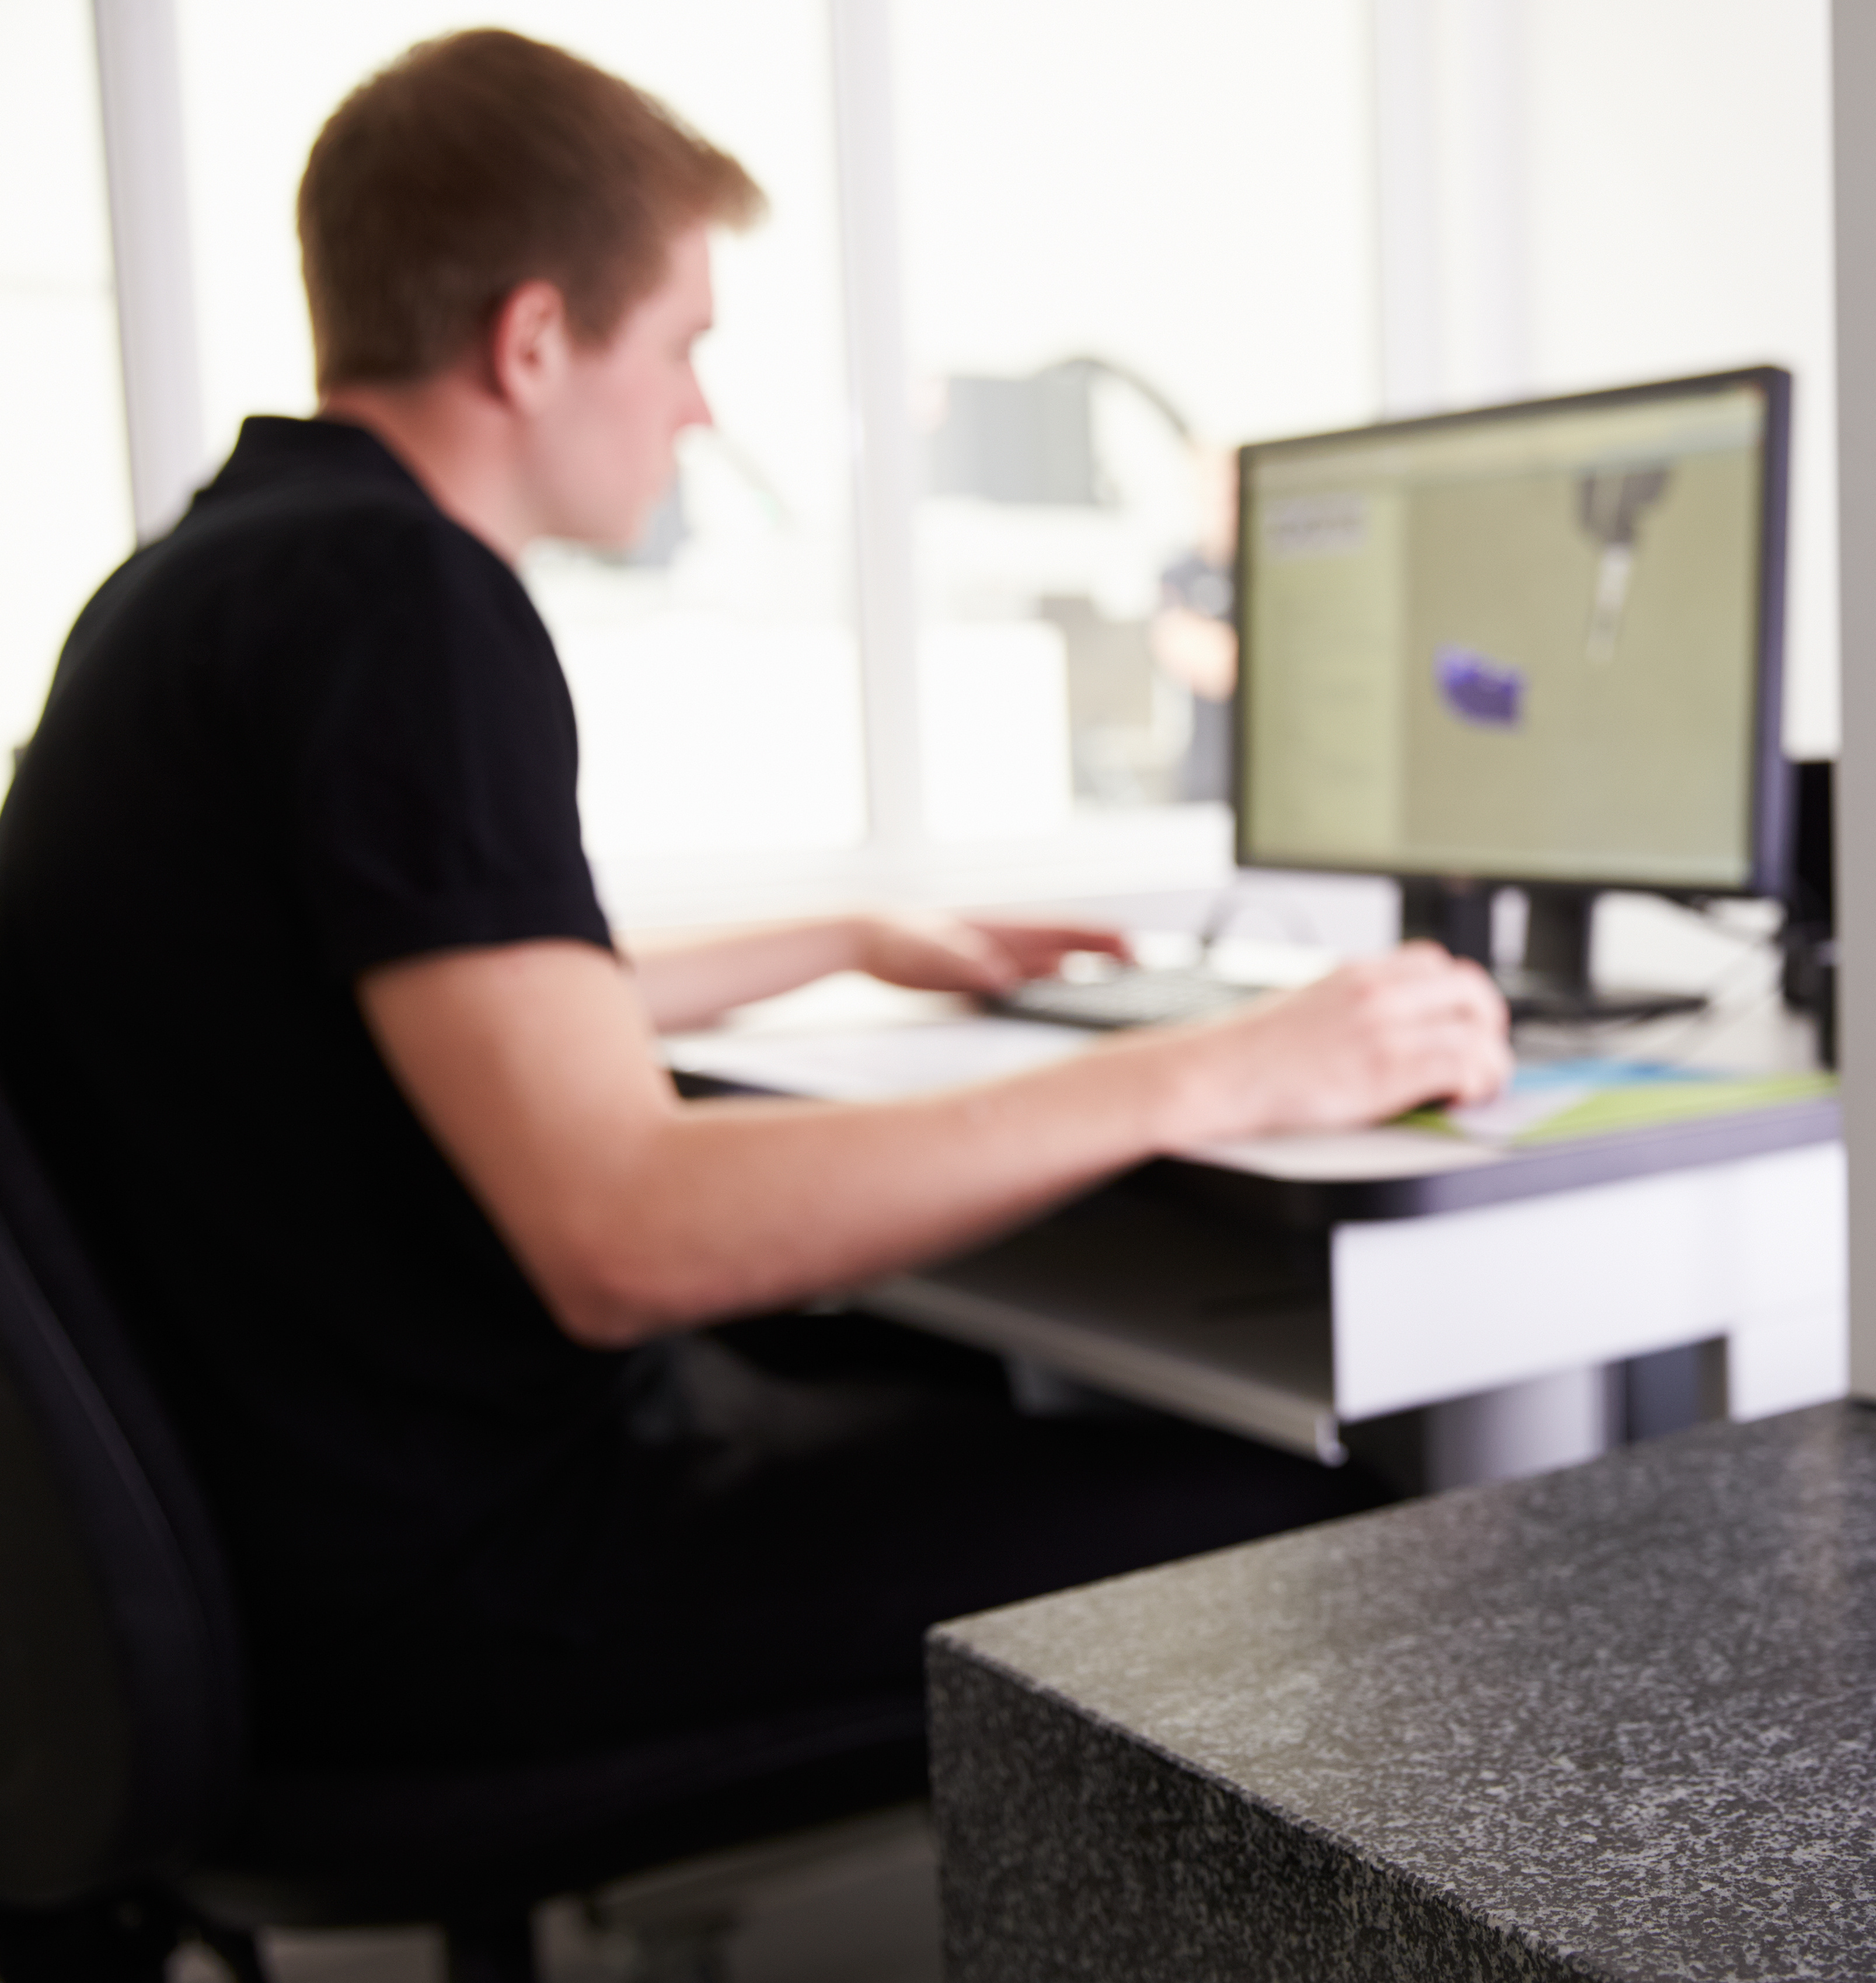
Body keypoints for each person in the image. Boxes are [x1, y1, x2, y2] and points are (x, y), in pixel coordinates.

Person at [0, 30, 1509, 1769]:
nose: (703, 407)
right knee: (1324, 1527)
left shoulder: (214, 578)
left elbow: (398, 1001)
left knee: (954, 1380)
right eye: (687, 342)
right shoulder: (397, 600)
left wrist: (847, 940)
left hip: (300, 1539)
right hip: (461, 1594)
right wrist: (1224, 1070)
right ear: (537, 337)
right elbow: (626, 1234)